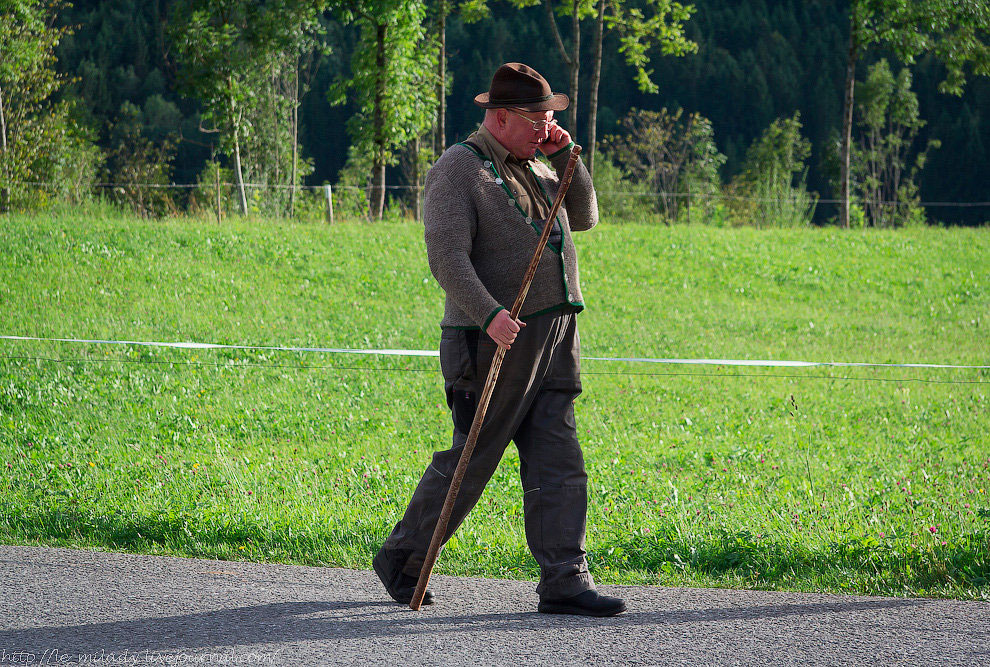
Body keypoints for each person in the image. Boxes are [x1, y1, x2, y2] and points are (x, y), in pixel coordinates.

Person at [373, 62, 625, 617]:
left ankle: (564, 578)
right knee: (477, 455)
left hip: (555, 331)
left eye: (550, 117)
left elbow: (582, 216)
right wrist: (489, 314)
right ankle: (404, 555)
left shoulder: (536, 165)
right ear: (501, 116)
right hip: (489, 337)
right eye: (538, 118)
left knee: (559, 455)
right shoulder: (459, 169)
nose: (545, 126)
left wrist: (563, 156)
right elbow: (446, 257)